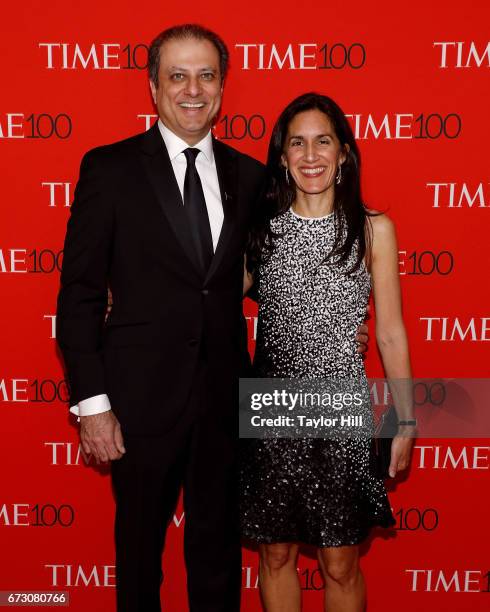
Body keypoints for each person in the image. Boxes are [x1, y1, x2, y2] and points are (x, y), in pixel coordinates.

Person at [56, 24, 369, 611]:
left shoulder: (251, 177)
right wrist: (93, 405)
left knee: (219, 560)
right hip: (137, 402)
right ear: (154, 87)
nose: (192, 89)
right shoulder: (109, 169)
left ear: (223, 87)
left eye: (206, 75)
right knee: (139, 556)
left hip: (229, 403)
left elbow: (282, 272)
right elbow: (78, 294)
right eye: (178, 76)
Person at [240, 92, 416, 612]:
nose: (310, 155)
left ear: (343, 154)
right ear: (282, 155)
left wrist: (405, 421)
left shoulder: (373, 229)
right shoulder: (260, 230)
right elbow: (206, 297)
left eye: (323, 142)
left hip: (341, 413)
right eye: (298, 143)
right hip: (271, 411)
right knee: (274, 556)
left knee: (340, 562)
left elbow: (389, 333)